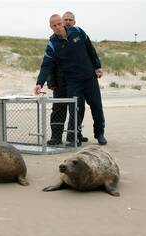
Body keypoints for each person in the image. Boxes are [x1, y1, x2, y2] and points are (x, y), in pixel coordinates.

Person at [35, 14, 107, 145]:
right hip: (72, 81)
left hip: (89, 77)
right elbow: (46, 64)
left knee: (96, 105)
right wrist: (40, 82)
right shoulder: (52, 43)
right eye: (54, 26)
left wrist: (98, 66)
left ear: (63, 23)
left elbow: (90, 49)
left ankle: (100, 134)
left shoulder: (78, 32)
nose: (57, 27)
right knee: (76, 109)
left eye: (59, 24)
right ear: (51, 27)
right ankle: (72, 138)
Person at [46, 11, 88, 146]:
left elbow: (85, 57)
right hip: (59, 82)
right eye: (65, 20)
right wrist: (51, 81)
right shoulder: (53, 41)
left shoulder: (77, 36)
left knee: (77, 108)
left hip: (76, 82)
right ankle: (56, 137)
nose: (66, 23)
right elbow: (49, 63)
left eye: (70, 20)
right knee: (58, 109)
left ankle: (76, 135)